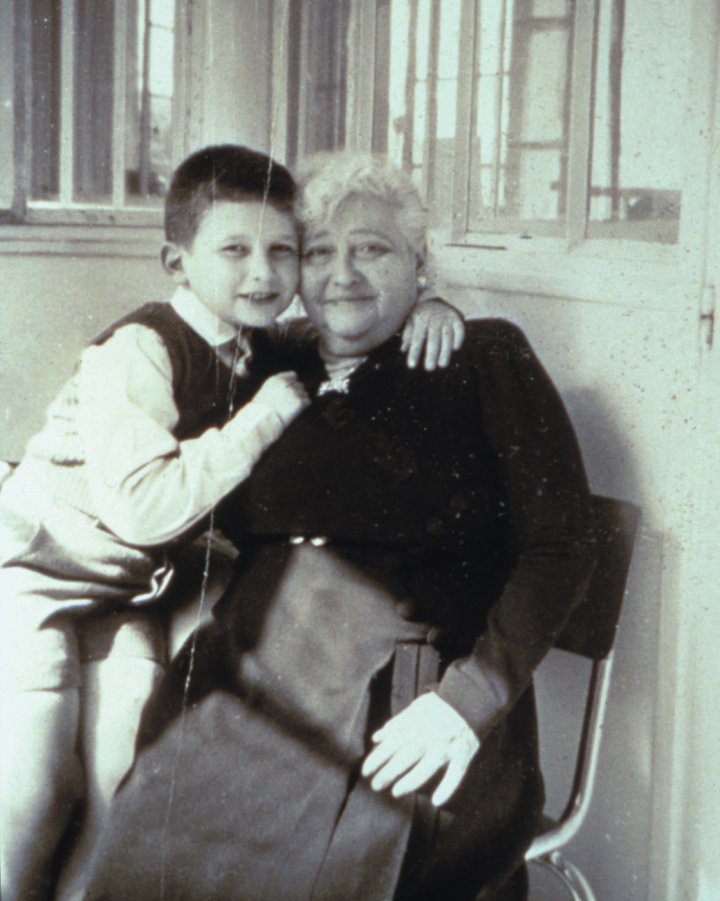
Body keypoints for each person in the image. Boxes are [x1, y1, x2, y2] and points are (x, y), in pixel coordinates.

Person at [84, 153, 595, 901]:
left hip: (411, 699)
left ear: (422, 263)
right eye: (318, 252)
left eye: (373, 249)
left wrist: (469, 702)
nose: (342, 274)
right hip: (245, 691)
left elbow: (563, 547)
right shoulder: (264, 360)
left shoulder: (482, 355)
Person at [0, 145, 462, 901]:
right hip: (34, 572)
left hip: (127, 594)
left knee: (127, 764)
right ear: (175, 261)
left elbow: (348, 327)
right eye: (235, 250)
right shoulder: (140, 348)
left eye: (284, 250)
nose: (264, 274)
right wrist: (261, 420)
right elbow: (143, 506)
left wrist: (434, 306)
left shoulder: (258, 343)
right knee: (38, 779)